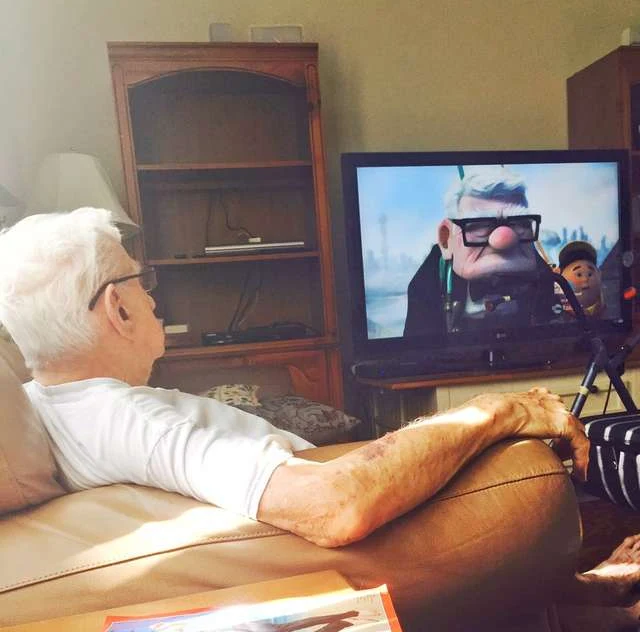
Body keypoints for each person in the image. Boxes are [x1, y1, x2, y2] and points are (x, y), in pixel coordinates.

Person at [0, 207, 638, 606]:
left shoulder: (51, 404)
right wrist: (500, 411)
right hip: (367, 547)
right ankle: (575, 591)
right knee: (535, 454)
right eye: (142, 281)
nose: (152, 296)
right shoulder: (128, 421)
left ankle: (569, 597)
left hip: (333, 514)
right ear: (117, 308)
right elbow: (332, 507)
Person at [404, 168, 560, 336]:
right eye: (479, 225)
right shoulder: (428, 282)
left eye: (519, 223)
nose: (502, 240)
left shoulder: (542, 276)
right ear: (446, 239)